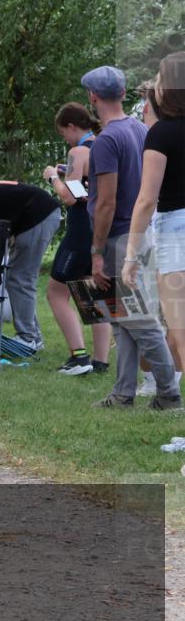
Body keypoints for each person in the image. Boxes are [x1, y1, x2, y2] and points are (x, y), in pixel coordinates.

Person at [81, 64, 178, 409]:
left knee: (138, 320)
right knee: (123, 321)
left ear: (92, 97)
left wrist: (96, 251)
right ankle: (123, 392)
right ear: (123, 94)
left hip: (121, 237)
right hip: (143, 233)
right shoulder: (139, 128)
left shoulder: (106, 139)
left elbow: (105, 201)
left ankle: (169, 391)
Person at [123, 53, 185, 408]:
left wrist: (131, 257)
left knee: (179, 333)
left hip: (176, 230)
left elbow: (146, 200)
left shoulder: (161, 134)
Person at [42, 102, 111, 375]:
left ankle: (79, 357)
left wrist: (51, 178)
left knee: (56, 292)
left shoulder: (77, 151)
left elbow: (70, 197)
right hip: (101, 228)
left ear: (72, 127)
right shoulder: (104, 145)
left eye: (63, 134)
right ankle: (101, 361)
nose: (65, 140)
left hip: (80, 230)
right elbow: (86, 187)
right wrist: (68, 174)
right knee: (95, 293)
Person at [0, 182, 61, 351]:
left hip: (38, 215)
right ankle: (33, 337)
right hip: (39, 214)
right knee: (17, 278)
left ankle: (27, 338)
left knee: (20, 279)